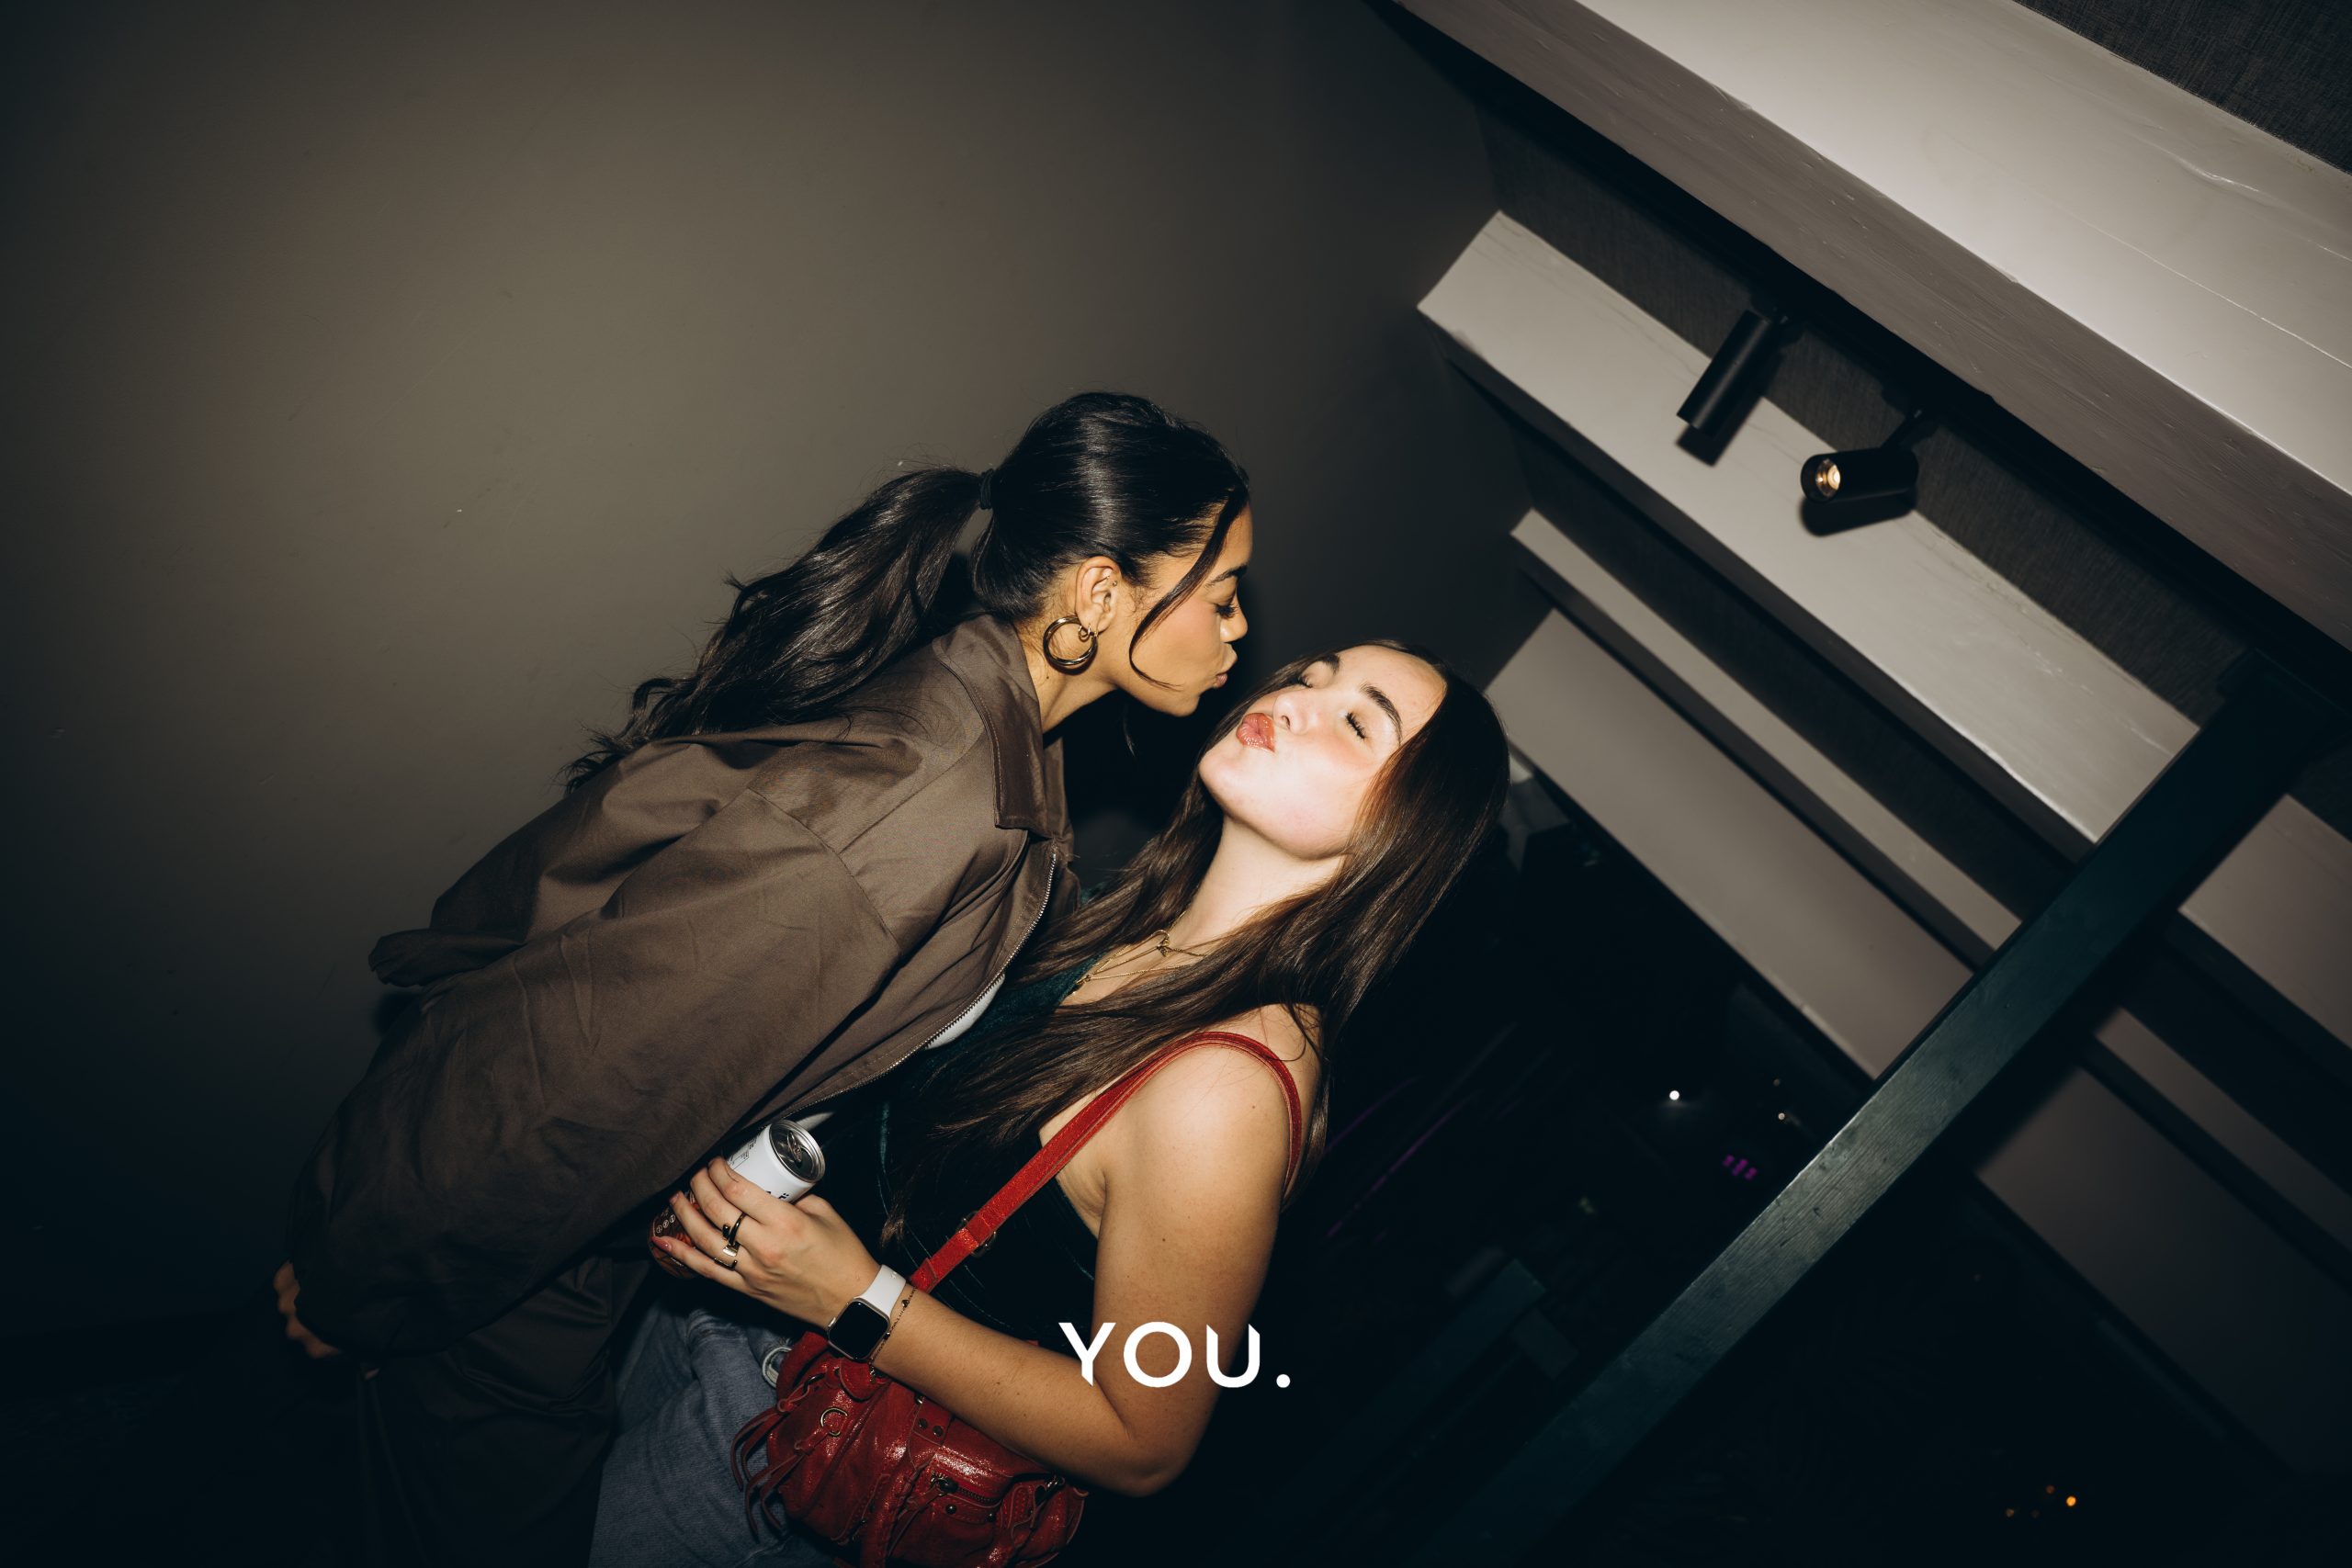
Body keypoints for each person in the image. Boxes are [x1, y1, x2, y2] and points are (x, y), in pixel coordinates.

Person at [276, 390, 1257, 1567]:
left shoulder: (999, 740)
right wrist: (362, 1281)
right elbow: (571, 1082)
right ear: (1099, 593)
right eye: (1222, 593)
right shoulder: (920, 813)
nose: (1241, 629)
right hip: (505, 1252)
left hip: (563, 1246)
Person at [590, 639, 1509, 1565]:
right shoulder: (1131, 920)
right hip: (730, 1311)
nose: (1298, 698)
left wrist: (852, 1296)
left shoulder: (1228, 1085)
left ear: (1404, 833)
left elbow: (1144, 1441)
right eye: (1311, 676)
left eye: (1356, 721)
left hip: (789, 1446)